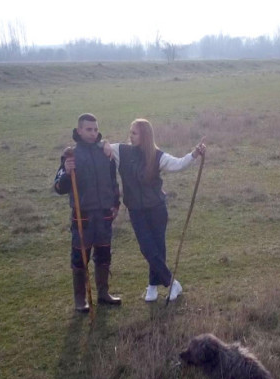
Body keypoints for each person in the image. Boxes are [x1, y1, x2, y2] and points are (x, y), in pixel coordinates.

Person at [103, 118, 206, 302]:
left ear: (145, 135)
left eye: (134, 133)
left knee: (158, 248)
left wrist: (194, 154)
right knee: (147, 248)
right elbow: (102, 147)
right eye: (130, 132)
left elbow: (178, 164)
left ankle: (152, 286)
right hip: (135, 210)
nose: (130, 136)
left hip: (157, 209)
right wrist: (103, 144)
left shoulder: (157, 156)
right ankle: (171, 283)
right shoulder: (121, 151)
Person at [53, 113, 122, 312]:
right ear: (79, 130)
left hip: (104, 213)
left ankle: (103, 293)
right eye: (88, 129)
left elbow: (113, 181)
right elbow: (59, 187)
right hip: (83, 215)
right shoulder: (71, 155)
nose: (93, 133)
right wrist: (67, 172)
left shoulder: (105, 152)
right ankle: (80, 299)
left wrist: (115, 203)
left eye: (95, 129)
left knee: (104, 254)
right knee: (80, 257)